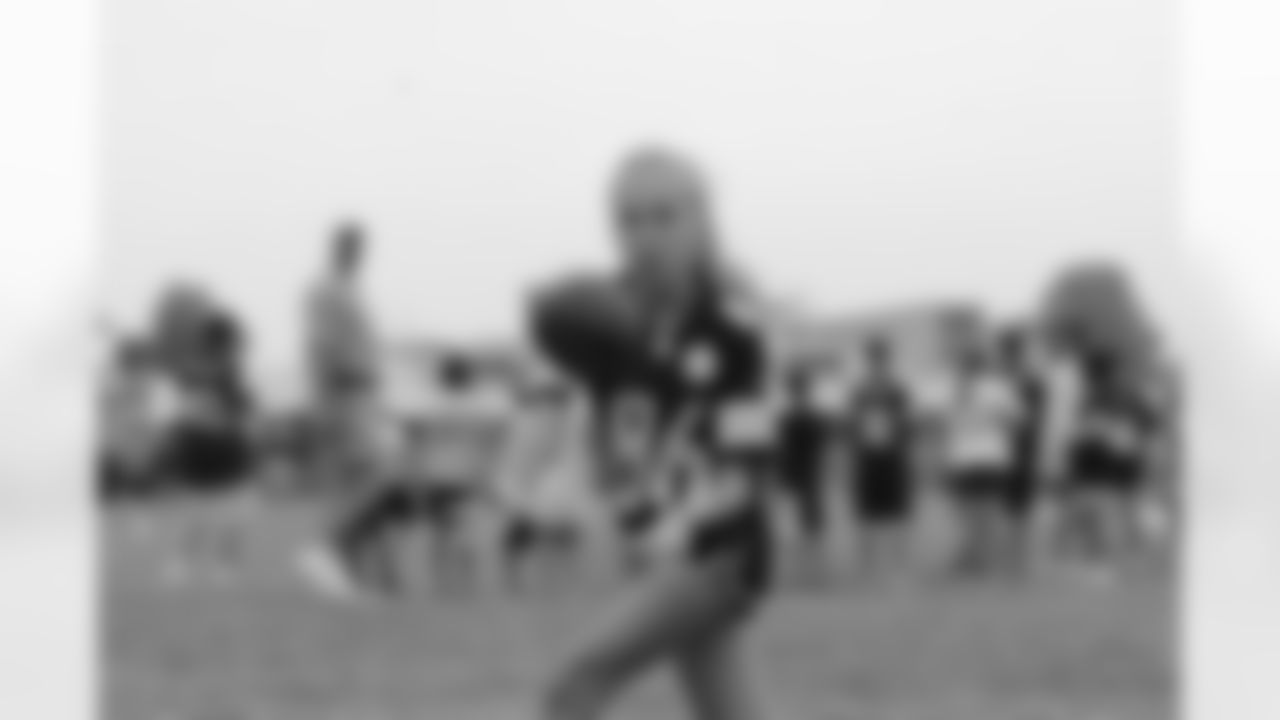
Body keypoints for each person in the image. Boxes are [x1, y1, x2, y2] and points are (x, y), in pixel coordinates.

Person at [530, 146, 771, 720]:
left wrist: (677, 521)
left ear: (701, 219)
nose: (646, 235)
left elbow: (749, 465)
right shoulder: (609, 320)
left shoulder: (731, 326)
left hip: (718, 552)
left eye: (664, 216)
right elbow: (612, 441)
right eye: (630, 220)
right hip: (654, 548)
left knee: (574, 687)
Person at [298, 222, 387, 596]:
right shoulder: (326, 291)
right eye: (351, 247)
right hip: (343, 393)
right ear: (337, 248)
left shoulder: (350, 290)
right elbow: (320, 346)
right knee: (376, 475)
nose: (358, 254)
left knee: (354, 481)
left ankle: (344, 569)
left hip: (361, 392)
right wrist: (322, 400)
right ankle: (325, 547)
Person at [1060, 351, 1156, 575]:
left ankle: (1106, 562)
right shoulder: (1127, 394)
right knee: (1117, 510)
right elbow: (1149, 423)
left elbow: (1085, 430)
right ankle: (1119, 559)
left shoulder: (1098, 396)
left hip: (1104, 461)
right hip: (1119, 459)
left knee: (1105, 511)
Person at [937, 341, 1024, 579]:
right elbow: (1017, 421)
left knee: (970, 511)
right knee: (984, 510)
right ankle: (978, 557)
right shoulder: (998, 388)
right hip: (989, 457)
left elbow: (943, 425)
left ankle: (976, 558)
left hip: (966, 458)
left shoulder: (959, 389)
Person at [845, 337, 916, 578]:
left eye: (881, 357)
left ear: (887, 359)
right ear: (868, 360)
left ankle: (898, 561)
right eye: (873, 358)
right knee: (866, 511)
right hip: (867, 456)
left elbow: (907, 423)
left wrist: (900, 440)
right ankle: (868, 562)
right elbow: (852, 424)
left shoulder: (897, 389)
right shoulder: (859, 390)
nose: (877, 362)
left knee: (897, 511)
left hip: (892, 456)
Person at [777, 367, 828, 570]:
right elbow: (783, 444)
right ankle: (807, 549)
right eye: (795, 387)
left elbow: (818, 443)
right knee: (800, 509)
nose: (797, 391)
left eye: (799, 387)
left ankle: (812, 550)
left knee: (809, 509)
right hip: (796, 465)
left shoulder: (808, 414)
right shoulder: (791, 414)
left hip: (807, 465)